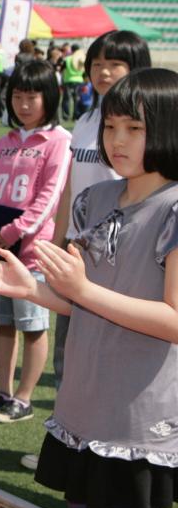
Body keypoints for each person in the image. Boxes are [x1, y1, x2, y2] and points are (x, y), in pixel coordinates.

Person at [0, 67, 178, 508]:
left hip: (138, 420)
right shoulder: (94, 199)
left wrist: (82, 289)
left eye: (133, 128)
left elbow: (173, 319)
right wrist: (38, 291)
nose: (116, 141)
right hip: (82, 408)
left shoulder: (174, 209)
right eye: (111, 125)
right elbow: (85, 300)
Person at [48, 31, 151, 391]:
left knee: (112, 351)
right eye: (97, 64)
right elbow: (70, 188)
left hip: (121, 252)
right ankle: (66, 434)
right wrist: (59, 240)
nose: (103, 72)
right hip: (79, 250)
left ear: (137, 68)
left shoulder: (147, 126)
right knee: (69, 348)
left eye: (114, 64)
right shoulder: (88, 121)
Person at [0, 60, 70, 425]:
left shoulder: (59, 141)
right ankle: (3, 391)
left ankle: (25, 398)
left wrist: (12, 232)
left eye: (32, 97)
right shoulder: (6, 141)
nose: (23, 104)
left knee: (32, 324)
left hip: (33, 250)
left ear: (51, 97)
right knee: (3, 322)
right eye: (17, 97)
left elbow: (48, 199)